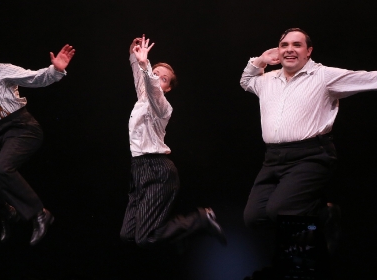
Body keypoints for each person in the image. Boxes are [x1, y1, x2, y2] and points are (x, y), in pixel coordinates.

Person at [240, 28, 377, 228]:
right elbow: (246, 81)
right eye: (284, 45)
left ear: (309, 51)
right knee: (254, 217)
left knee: (279, 210)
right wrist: (261, 60)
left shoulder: (323, 76)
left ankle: (323, 218)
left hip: (311, 155)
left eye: (297, 45)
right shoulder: (267, 80)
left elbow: (371, 78)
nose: (289, 49)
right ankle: (318, 218)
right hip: (273, 158)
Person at [0, 35, 75, 246]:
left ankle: (39, 213)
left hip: (22, 127)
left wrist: (55, 70)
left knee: (0, 169)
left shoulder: (2, 70)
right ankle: (7, 213)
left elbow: (34, 78)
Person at [120, 35, 226, 247]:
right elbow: (142, 81)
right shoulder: (142, 97)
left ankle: (200, 219)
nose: (158, 78)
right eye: (155, 73)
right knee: (128, 234)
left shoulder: (163, 108)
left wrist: (144, 65)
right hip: (138, 170)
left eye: (164, 78)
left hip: (157, 170)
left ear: (167, 88)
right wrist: (134, 55)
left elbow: (152, 88)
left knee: (146, 237)